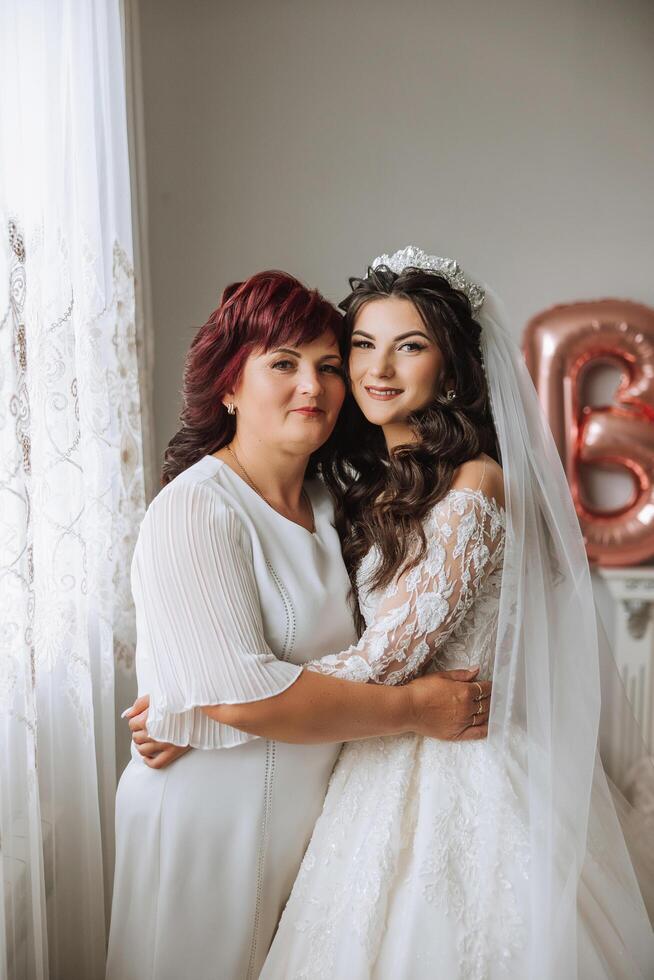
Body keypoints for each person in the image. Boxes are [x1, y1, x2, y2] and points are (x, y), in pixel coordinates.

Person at [258, 249, 654, 979]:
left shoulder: (477, 482)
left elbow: (389, 656)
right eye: (364, 346)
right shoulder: (367, 485)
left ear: (451, 369)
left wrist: (230, 696)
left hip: (463, 763)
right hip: (379, 758)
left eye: (409, 346)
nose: (379, 368)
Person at [105, 270, 491, 980]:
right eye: (282, 363)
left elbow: (278, 678)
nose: (312, 386)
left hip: (309, 826)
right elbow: (239, 696)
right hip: (208, 823)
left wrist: (201, 705)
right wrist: (411, 708)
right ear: (228, 385)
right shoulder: (198, 508)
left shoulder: (331, 501)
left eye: (328, 366)